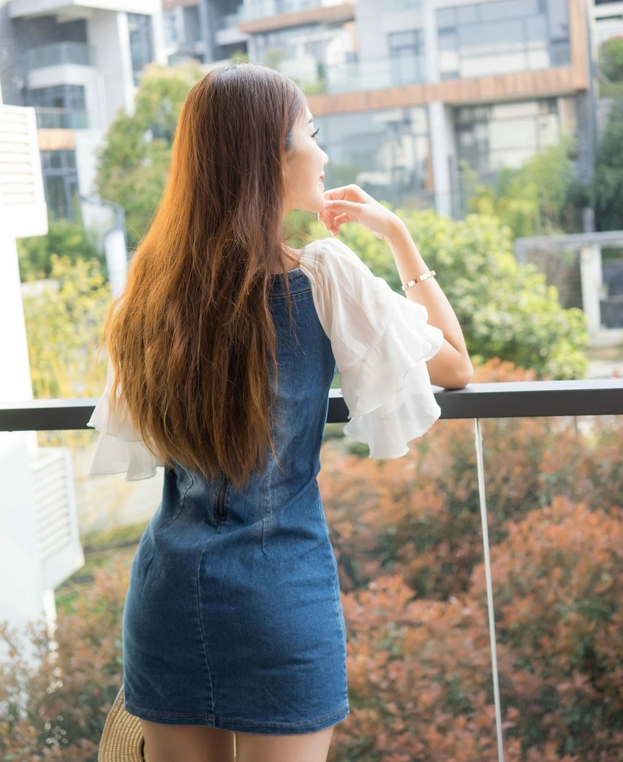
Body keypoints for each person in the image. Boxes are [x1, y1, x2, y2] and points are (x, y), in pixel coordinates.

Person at [88, 62, 473, 762]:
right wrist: (397, 238)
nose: (324, 154)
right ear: (270, 156)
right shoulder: (321, 275)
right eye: (312, 134)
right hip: (276, 601)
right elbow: (454, 362)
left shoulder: (153, 289)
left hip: (167, 599)